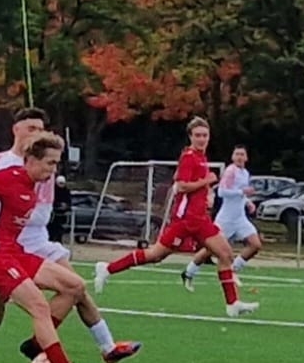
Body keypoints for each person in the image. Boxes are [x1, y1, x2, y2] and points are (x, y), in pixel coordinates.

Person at [0, 108, 138, 363]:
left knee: (76, 288)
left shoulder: (46, 163)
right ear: (16, 130)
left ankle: (104, 347)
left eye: (40, 128)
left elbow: (44, 208)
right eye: (31, 128)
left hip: (35, 241)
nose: (36, 132)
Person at [0, 133, 102, 363]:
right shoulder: (9, 177)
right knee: (24, 311)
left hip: (14, 253)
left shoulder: (32, 186)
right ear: (31, 160)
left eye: (56, 164)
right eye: (50, 163)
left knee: (75, 286)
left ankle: (36, 345)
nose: (53, 170)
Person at [95, 117, 259, 318]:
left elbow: (183, 182)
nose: (202, 139)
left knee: (225, 254)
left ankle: (232, 303)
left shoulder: (201, 157)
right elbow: (181, 186)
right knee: (155, 255)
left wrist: (206, 193)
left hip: (200, 219)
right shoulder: (189, 157)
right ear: (190, 136)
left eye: (205, 135)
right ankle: (107, 268)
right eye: (197, 135)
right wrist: (206, 181)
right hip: (185, 220)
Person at [183, 145, 264, 287]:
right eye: (237, 154)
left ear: (246, 157)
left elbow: (239, 192)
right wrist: (242, 193)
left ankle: (233, 270)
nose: (239, 157)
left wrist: (247, 202)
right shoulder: (230, 171)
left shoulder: (245, 173)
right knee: (210, 250)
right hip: (226, 219)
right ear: (232, 157)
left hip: (240, 218)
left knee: (255, 245)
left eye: (242, 154)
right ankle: (189, 271)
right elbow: (222, 192)